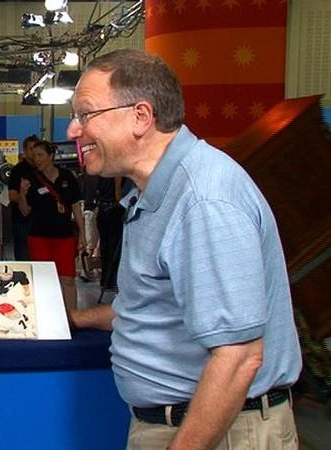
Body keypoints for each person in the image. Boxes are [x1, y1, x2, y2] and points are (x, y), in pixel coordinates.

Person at [67, 49, 301, 449]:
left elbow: (239, 357)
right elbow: (158, 308)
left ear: (141, 116)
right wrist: (77, 318)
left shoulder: (203, 201)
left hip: (221, 432)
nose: (74, 130)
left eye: (86, 114)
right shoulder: (156, 192)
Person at [17, 140, 85, 311]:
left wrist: (82, 232)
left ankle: (71, 318)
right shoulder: (31, 179)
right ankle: (46, 316)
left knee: (67, 279)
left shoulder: (67, 176)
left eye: (40, 155)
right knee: (44, 279)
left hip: (64, 235)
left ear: (51, 156)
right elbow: (25, 211)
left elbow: (75, 205)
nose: (37, 159)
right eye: (35, 156)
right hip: (39, 236)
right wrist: (23, 193)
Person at [7, 135, 40, 261]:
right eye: (31, 148)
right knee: (24, 258)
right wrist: (25, 197)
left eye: (36, 148)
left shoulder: (43, 169)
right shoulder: (18, 170)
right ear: (25, 151)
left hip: (40, 222)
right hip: (22, 222)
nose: (34, 152)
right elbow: (12, 195)